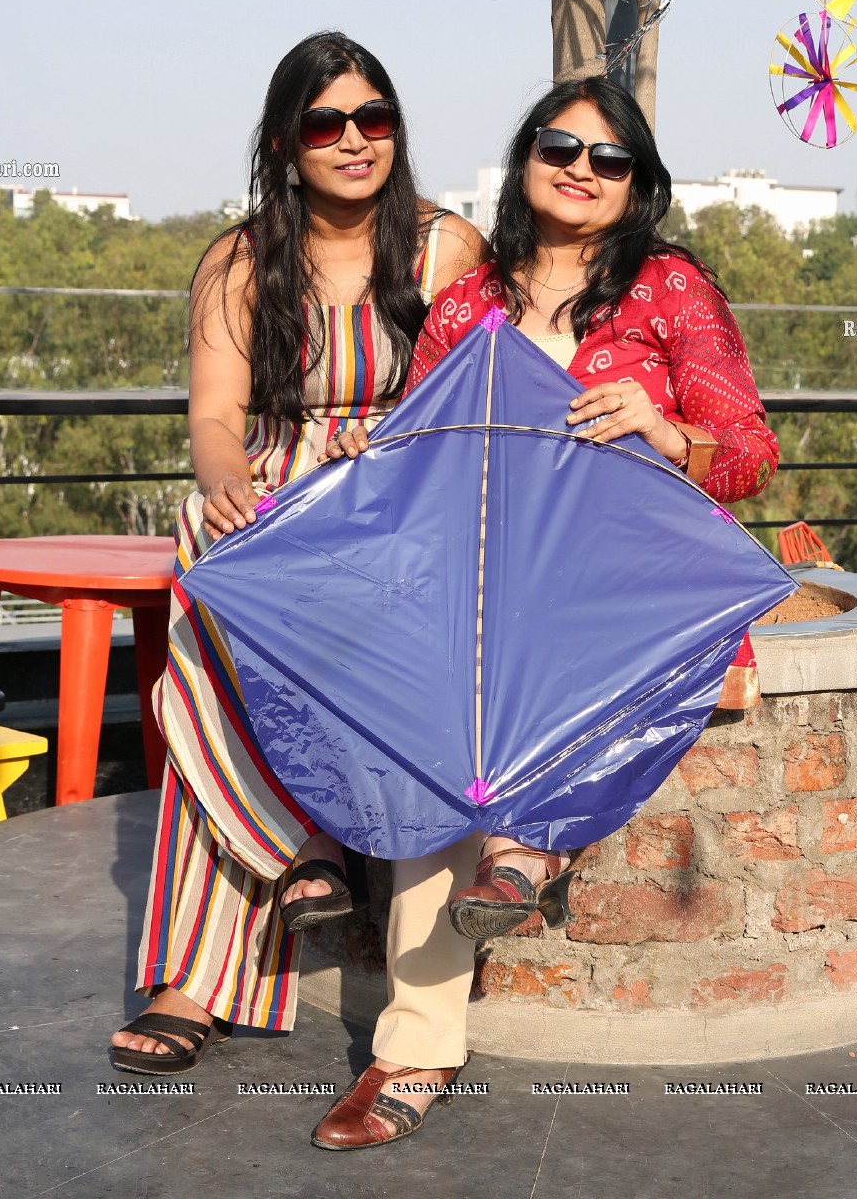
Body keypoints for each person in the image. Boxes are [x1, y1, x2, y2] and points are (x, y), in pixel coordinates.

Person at [308, 74, 777, 1150]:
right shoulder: (469, 303)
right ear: (525, 157)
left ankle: (527, 841)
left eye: (608, 159)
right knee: (432, 747)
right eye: (559, 146)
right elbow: (417, 447)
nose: (581, 168)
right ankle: (415, 1050)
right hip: (485, 586)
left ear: (637, 183)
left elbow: (748, 454)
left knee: (513, 682)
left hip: (628, 590)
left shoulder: (667, 291)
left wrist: (664, 429)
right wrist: (364, 450)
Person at [109, 31, 485, 1079]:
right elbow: (218, 417)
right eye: (328, 124)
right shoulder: (239, 261)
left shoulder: (443, 246)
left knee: (232, 653)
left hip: (399, 491)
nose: (355, 140)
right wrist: (228, 480)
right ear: (286, 142)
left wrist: (399, 452)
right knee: (209, 554)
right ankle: (297, 852)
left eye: (375, 118)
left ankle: (269, 874)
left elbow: (472, 391)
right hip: (279, 487)